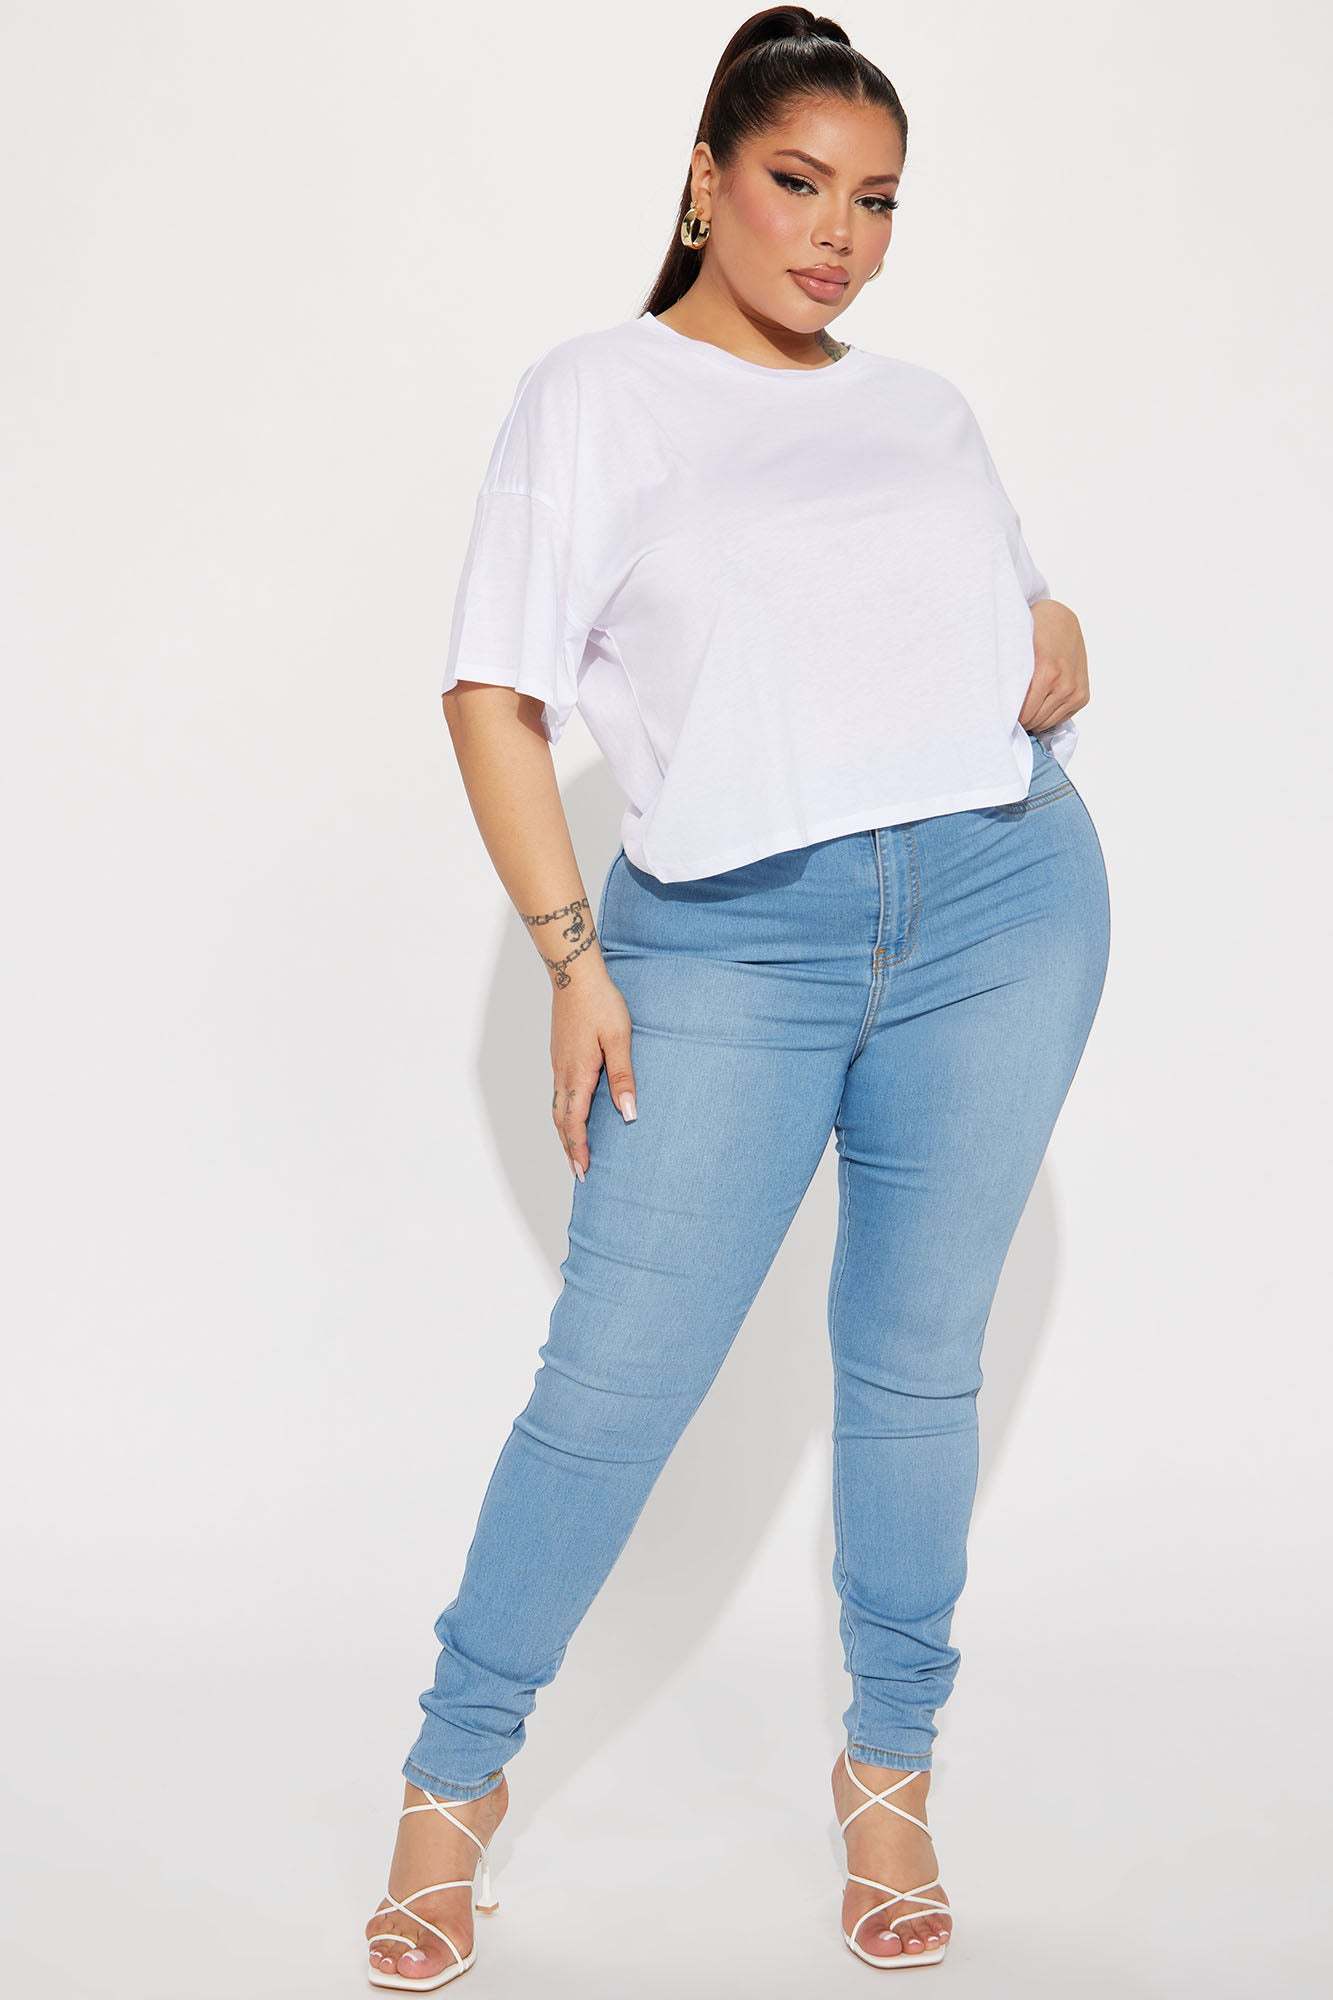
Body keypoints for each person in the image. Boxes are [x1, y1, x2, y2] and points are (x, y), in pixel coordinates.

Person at [365, 7, 1110, 1987]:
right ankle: (452, 1784)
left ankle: (890, 1770)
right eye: (797, 182)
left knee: (915, 1364)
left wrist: (1053, 625)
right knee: (614, 1386)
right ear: (705, 180)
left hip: (1002, 897)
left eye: (877, 200)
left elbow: (988, 613)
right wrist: (571, 958)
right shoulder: (593, 395)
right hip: (725, 943)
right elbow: (492, 694)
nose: (838, 234)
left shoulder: (923, 407)